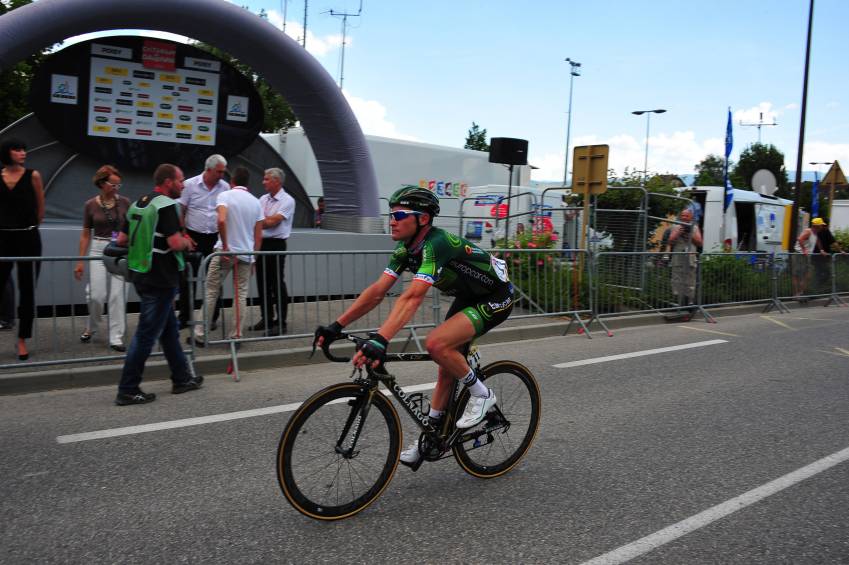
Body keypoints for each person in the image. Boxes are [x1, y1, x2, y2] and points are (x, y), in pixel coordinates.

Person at [314, 185, 514, 467]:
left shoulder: (437, 243)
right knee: (446, 363)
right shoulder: (404, 250)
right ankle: (432, 438)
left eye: (399, 214)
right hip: (469, 297)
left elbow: (412, 296)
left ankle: (483, 394)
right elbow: (377, 291)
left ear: (422, 219)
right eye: (391, 214)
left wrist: (381, 339)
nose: (392, 220)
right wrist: (336, 325)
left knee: (436, 344)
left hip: (496, 297)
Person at [115, 164, 203, 406]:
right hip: (161, 278)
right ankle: (128, 388)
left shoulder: (138, 204)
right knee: (146, 335)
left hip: (140, 273)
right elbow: (174, 243)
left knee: (169, 331)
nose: (183, 185)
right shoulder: (166, 206)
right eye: (180, 180)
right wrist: (187, 243)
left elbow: (121, 239)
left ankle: (182, 378)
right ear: (167, 182)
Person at [191, 166, 263, 346]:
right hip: (246, 254)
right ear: (247, 183)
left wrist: (225, 245)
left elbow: (221, 220)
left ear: (232, 182)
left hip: (226, 251)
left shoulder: (225, 196)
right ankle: (236, 336)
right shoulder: (256, 202)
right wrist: (253, 257)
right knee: (241, 294)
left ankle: (200, 333)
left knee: (211, 290)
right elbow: (258, 236)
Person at [73, 165, 130, 351]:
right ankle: (93, 325)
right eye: (113, 184)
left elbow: (131, 228)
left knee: (117, 295)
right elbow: (84, 234)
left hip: (119, 249)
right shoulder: (90, 204)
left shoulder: (125, 203)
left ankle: (116, 337)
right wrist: (80, 261)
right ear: (101, 183)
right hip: (98, 248)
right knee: (97, 295)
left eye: (118, 185)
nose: (115, 188)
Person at [0, 138, 45, 361]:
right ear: (7, 152)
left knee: (27, 290)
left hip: (28, 236)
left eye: (24, 149)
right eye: (17, 149)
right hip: (3, 236)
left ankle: (22, 339)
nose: (23, 153)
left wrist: (29, 227)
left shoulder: (33, 175)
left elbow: (40, 209)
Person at [177, 154, 230, 329]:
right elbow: (181, 211)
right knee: (187, 279)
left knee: (214, 279)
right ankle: (184, 317)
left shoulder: (225, 187)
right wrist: (184, 234)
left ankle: (211, 317)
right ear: (208, 170)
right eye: (219, 171)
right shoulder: (190, 185)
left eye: (223, 171)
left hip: (214, 237)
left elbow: (226, 215)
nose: (222, 175)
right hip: (193, 236)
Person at [252, 168, 295, 334]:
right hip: (262, 242)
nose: (263, 182)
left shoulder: (287, 200)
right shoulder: (262, 198)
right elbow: (263, 220)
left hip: (276, 244)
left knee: (276, 283)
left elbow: (272, 222)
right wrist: (261, 221)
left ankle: (281, 322)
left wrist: (258, 221)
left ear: (277, 181)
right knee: (262, 282)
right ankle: (267, 318)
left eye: (267, 179)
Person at [667, 208, 702, 311]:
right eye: (682, 215)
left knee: (690, 280)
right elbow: (670, 241)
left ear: (691, 217)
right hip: (678, 258)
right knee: (676, 279)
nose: (684, 217)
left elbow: (700, 243)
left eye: (686, 216)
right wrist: (678, 232)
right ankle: (677, 302)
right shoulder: (675, 226)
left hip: (690, 258)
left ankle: (689, 302)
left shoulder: (694, 228)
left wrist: (690, 233)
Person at [806, 217, 844, 292]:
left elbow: (833, 242)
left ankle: (817, 288)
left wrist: (840, 251)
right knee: (821, 272)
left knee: (823, 272)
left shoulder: (825, 231)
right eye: (825, 225)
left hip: (822, 256)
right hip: (817, 256)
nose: (826, 227)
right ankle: (815, 289)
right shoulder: (816, 231)